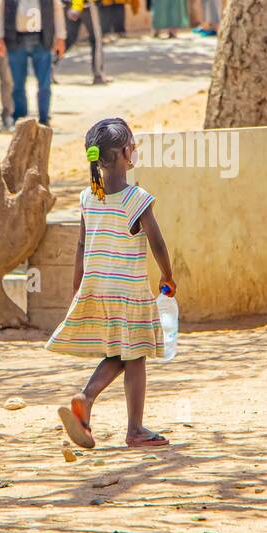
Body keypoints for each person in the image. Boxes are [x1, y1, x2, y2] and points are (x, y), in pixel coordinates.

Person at [48, 117, 174, 450]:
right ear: (123, 154)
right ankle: (134, 430)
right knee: (137, 355)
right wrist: (167, 274)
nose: (135, 149)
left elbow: (80, 245)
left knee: (120, 352)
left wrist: (78, 286)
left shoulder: (89, 198)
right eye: (132, 144)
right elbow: (157, 241)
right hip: (129, 291)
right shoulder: (137, 198)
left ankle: (85, 400)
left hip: (99, 288)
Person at [0, 0, 66, 126]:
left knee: (44, 83)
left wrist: (60, 37)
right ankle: (21, 120)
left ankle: (44, 118)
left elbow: (57, 9)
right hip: (16, 38)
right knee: (18, 83)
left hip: (42, 37)